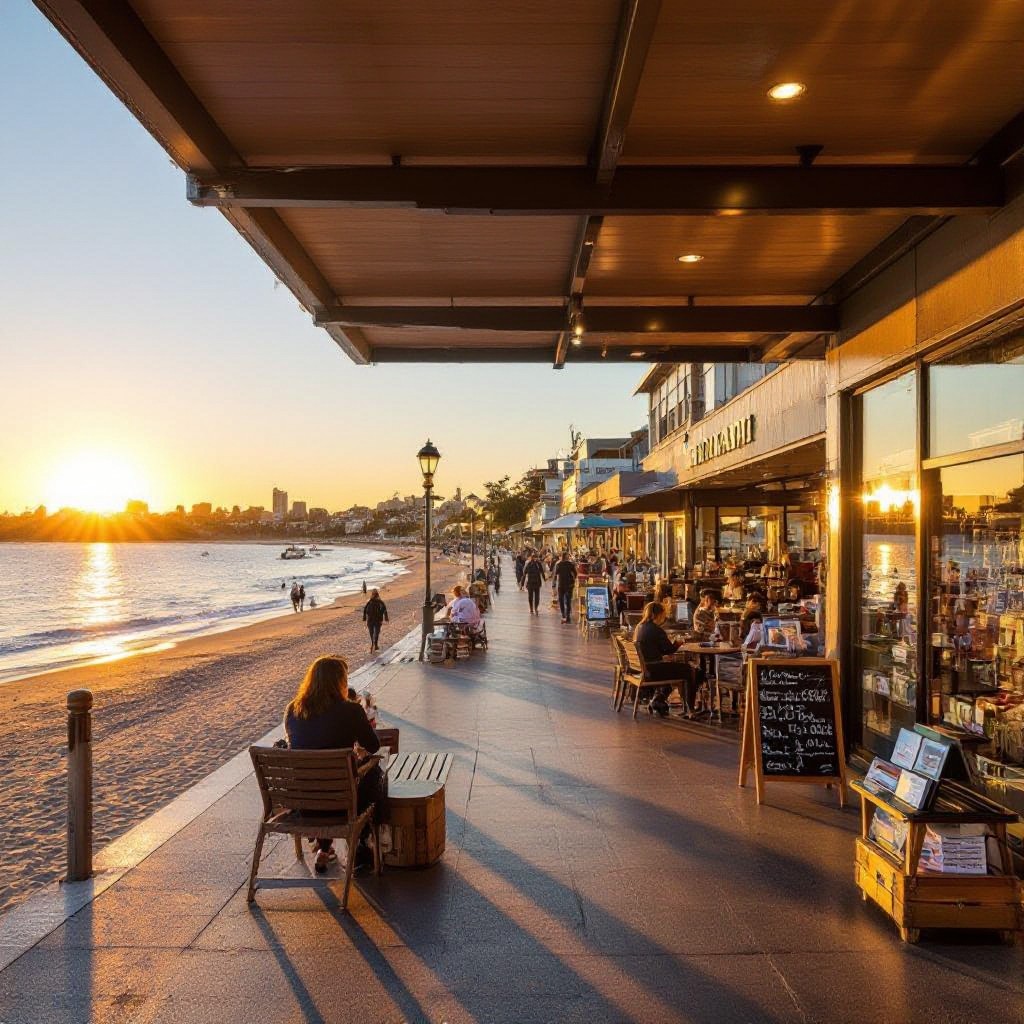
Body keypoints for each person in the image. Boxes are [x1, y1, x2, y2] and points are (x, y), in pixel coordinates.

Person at [283, 656, 385, 874]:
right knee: (374, 771)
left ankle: (324, 846)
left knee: (323, 781)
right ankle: (362, 841)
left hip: (304, 803)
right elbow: (374, 746)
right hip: (341, 803)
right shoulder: (350, 710)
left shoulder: (293, 710)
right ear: (340, 682)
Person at [633, 602, 704, 717]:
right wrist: (678, 643)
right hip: (653, 669)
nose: (664, 617)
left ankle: (658, 700)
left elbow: (656, 648)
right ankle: (690, 709)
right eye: (663, 614)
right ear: (658, 615)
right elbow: (668, 650)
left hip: (645, 668)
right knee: (690, 670)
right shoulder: (656, 630)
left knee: (678, 668)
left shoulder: (640, 627)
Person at [553, 551, 578, 624]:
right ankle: (568, 617)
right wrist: (573, 580)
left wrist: (554, 585)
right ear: (567, 557)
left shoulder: (559, 564)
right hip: (569, 585)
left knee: (561, 600)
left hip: (561, 585)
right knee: (568, 601)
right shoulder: (571, 564)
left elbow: (555, 574)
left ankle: (563, 615)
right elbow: (575, 574)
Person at [362, 588, 389, 652]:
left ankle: (374, 644)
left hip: (371, 620)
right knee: (376, 632)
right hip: (377, 620)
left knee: (372, 633)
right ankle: (375, 644)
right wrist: (385, 617)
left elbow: (365, 610)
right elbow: (384, 610)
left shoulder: (370, 601)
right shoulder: (379, 601)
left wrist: (364, 618)